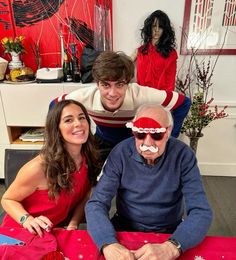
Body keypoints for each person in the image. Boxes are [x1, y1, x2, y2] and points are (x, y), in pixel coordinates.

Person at [85, 104, 212, 260]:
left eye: (157, 135)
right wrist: (107, 243)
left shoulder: (183, 155)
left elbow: (201, 211)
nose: (148, 143)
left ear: (169, 131)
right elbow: (96, 203)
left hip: (170, 231)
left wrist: (173, 247)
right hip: (125, 227)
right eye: (140, 134)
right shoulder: (120, 153)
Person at [50, 51, 191, 163]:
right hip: (102, 141)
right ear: (97, 84)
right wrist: (59, 141)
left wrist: (170, 137)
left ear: (128, 83)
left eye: (119, 84)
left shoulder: (142, 95)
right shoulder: (84, 96)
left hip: (133, 140)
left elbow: (184, 103)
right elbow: (54, 105)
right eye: (105, 85)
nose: (112, 93)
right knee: (93, 179)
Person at [1, 100, 101, 237]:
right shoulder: (38, 168)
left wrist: (73, 224)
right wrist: (27, 220)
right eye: (68, 120)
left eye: (82, 117)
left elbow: (85, 195)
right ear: (57, 130)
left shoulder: (88, 157)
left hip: (54, 231)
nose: (78, 123)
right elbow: (7, 199)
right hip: (22, 231)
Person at [131, 10, 177, 91]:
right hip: (142, 97)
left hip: (161, 98)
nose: (156, 30)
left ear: (164, 29)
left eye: (160, 27)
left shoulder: (170, 53)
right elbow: (124, 64)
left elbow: (171, 81)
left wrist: (166, 101)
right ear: (149, 27)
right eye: (154, 26)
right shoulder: (140, 51)